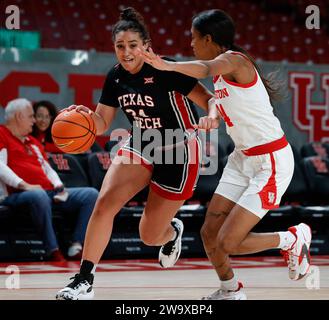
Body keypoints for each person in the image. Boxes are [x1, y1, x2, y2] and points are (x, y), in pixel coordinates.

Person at [139, 9, 312, 300]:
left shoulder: (234, 60)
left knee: (229, 241)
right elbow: (223, 102)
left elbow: (205, 69)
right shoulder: (224, 74)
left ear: (209, 39)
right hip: (242, 159)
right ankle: (230, 291)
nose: (191, 44)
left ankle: (292, 238)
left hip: (270, 162)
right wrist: (213, 117)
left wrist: (167, 66)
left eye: (194, 39)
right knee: (209, 234)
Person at [56, 7, 216, 300]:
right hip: (141, 143)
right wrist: (87, 119)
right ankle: (84, 279)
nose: (126, 52)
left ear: (146, 46)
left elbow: (209, 99)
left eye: (132, 45)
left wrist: (212, 116)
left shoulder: (165, 69)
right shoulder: (115, 77)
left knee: (149, 235)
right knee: (103, 204)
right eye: (120, 46)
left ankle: (172, 232)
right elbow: (103, 122)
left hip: (178, 150)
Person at [0, 98, 99, 261]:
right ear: (19, 116)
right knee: (38, 196)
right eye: (31, 116)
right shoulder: (2, 134)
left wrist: (59, 186)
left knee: (90, 194)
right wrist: (24, 185)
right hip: (16, 195)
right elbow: (0, 166)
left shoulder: (32, 142)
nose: (34, 121)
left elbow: (47, 168)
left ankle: (76, 245)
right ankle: (52, 250)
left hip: (47, 192)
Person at [31, 100, 103, 154]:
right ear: (33, 116)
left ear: (51, 118)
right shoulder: (28, 134)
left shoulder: (59, 131)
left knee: (90, 141)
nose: (43, 120)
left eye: (47, 117)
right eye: (39, 116)